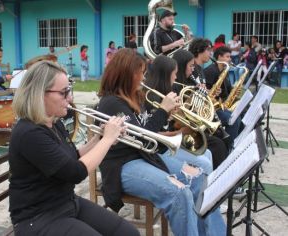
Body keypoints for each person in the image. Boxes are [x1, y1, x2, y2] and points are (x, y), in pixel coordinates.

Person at [97, 48, 226, 236]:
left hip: (145, 156)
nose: (144, 77)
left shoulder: (134, 96)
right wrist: (163, 111)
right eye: (141, 73)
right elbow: (143, 137)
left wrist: (171, 115)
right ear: (127, 75)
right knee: (179, 194)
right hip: (122, 165)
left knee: (200, 178)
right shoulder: (111, 104)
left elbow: (148, 131)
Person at [9, 60, 139, 236]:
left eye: (68, 90)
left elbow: (71, 156)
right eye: (64, 93)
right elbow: (75, 172)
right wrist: (106, 140)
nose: (70, 98)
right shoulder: (29, 133)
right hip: (37, 218)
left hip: (66, 203)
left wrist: (99, 138)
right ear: (39, 94)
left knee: (129, 233)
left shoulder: (53, 122)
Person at [144, 55, 213, 175]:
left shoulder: (166, 92)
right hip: (160, 149)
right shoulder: (151, 97)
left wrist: (177, 112)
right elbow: (152, 133)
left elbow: (169, 122)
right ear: (165, 75)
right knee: (205, 164)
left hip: (167, 145)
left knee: (208, 153)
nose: (176, 77)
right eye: (174, 74)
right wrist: (179, 133)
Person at [172, 48, 228, 169]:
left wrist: (205, 94)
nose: (193, 69)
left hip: (193, 126)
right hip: (182, 129)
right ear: (182, 66)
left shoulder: (189, 83)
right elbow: (179, 117)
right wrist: (195, 95)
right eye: (191, 66)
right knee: (218, 145)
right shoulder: (176, 86)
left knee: (220, 141)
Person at [203, 46, 241, 147]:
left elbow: (228, 90)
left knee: (243, 109)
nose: (230, 59)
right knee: (233, 119)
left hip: (222, 103)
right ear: (219, 57)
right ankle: (230, 147)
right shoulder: (210, 71)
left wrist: (235, 90)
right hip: (212, 107)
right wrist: (215, 93)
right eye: (227, 57)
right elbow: (206, 92)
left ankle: (238, 141)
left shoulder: (224, 70)